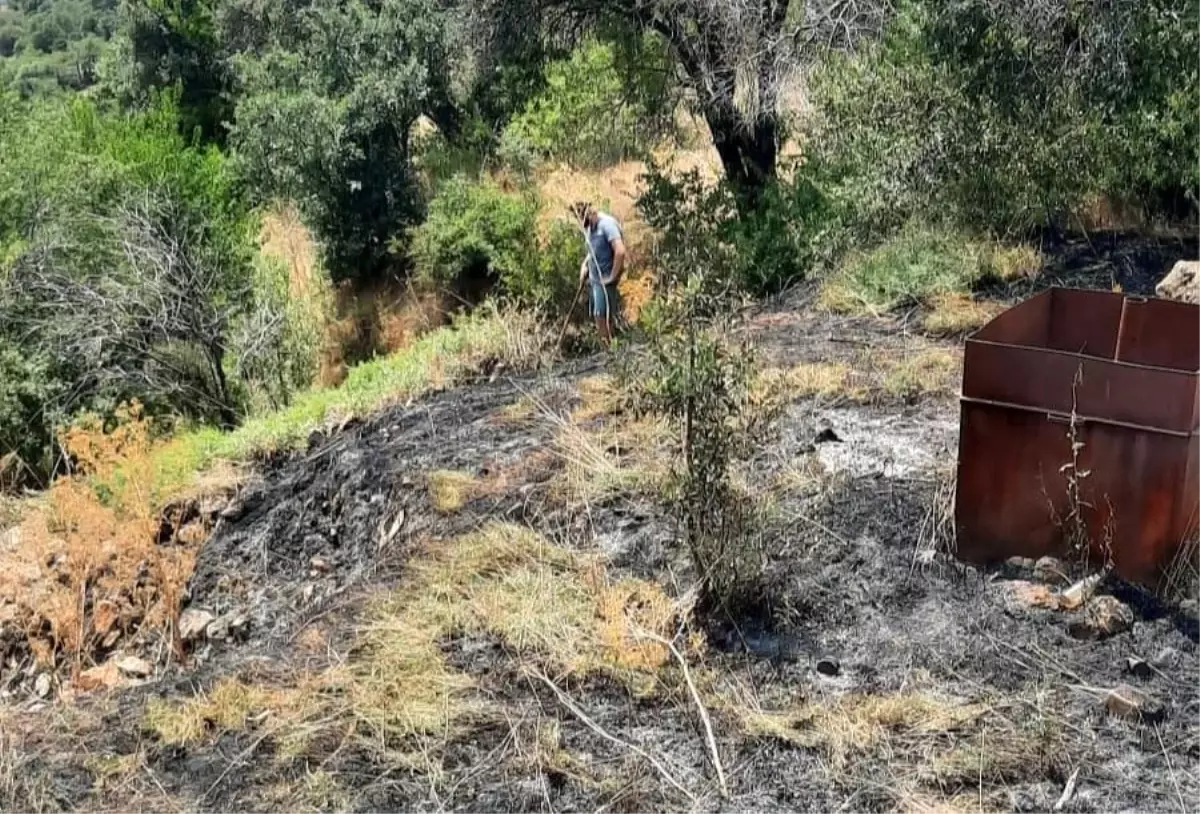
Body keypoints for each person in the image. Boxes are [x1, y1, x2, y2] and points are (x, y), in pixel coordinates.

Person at [571, 201, 626, 345]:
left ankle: (609, 354)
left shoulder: (607, 225)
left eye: (582, 219)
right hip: (595, 280)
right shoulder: (591, 227)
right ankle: (609, 350)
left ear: (589, 214)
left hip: (605, 279)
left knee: (601, 317)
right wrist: (585, 264)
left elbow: (620, 251)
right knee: (599, 317)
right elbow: (594, 250)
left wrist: (612, 276)